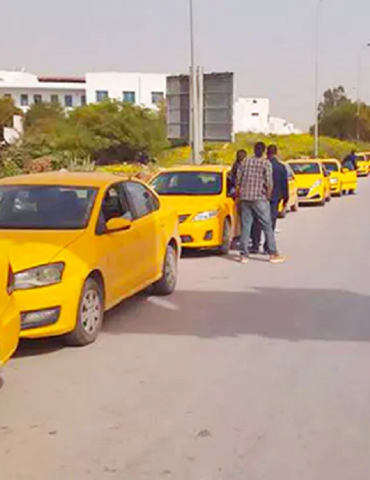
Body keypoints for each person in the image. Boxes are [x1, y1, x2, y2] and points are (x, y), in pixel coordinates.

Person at [236, 142, 285, 264]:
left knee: (246, 227)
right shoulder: (265, 163)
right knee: (267, 226)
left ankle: (244, 255)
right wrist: (267, 197)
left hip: (245, 197)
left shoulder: (245, 162)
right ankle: (273, 253)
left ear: (253, 150)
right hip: (259, 198)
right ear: (263, 151)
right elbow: (269, 182)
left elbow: (238, 180)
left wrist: (240, 193)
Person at [251, 145, 289, 254]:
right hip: (275, 198)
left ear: (267, 152)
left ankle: (255, 245)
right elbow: (284, 184)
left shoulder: (260, 164)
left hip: (261, 196)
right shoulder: (281, 167)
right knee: (271, 222)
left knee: (257, 221)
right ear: (276, 152)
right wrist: (285, 198)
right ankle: (267, 246)